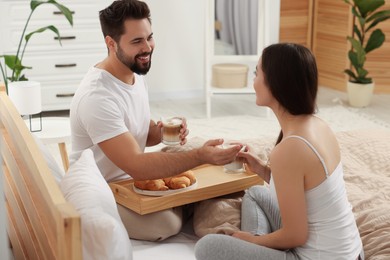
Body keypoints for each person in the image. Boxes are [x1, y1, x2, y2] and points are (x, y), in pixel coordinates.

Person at [69, 0, 241, 242]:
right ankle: (196, 204)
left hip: (133, 182)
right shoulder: (97, 97)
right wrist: (199, 157)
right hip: (104, 190)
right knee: (166, 223)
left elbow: (142, 133)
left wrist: (161, 132)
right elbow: (137, 164)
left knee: (197, 162)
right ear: (111, 43)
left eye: (149, 37)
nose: (148, 47)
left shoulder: (134, 74)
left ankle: (195, 200)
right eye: (137, 41)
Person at [195, 43, 364, 259]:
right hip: (353, 251)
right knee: (256, 193)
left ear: (275, 83)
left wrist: (252, 241)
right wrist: (261, 169)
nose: (253, 81)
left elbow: (296, 236)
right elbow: (305, 186)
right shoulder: (318, 125)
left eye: (257, 73)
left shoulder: (290, 149)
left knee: (207, 247)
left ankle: (259, 246)